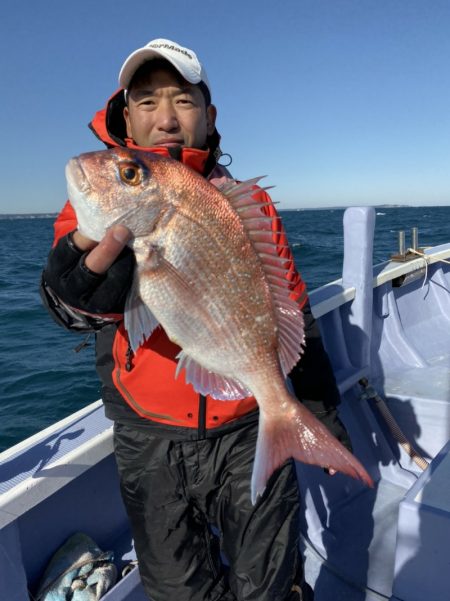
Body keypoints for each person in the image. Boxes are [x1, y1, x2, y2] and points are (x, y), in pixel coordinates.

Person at [41, 38, 352, 601]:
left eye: (183, 101)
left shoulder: (248, 205)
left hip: (248, 427)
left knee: (272, 585)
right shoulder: (91, 208)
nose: (166, 117)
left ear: (209, 116)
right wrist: (74, 286)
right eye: (147, 102)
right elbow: (70, 307)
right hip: (147, 438)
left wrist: (320, 415)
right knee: (179, 590)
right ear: (125, 117)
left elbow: (292, 312)